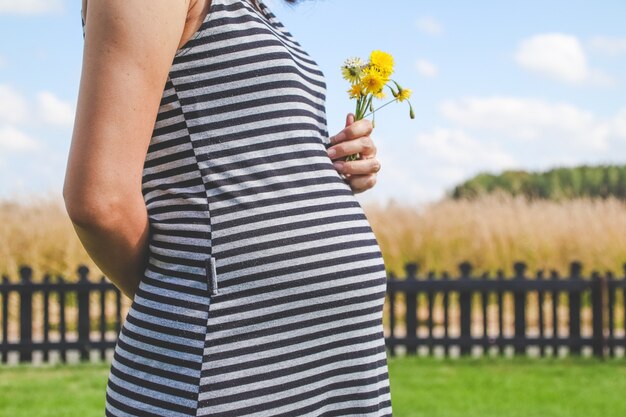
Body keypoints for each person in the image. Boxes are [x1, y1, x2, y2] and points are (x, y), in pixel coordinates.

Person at [63, 0, 392, 415]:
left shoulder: (256, 9)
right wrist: (187, 290)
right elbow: (99, 201)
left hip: (334, 363)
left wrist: (326, 169)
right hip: (229, 359)